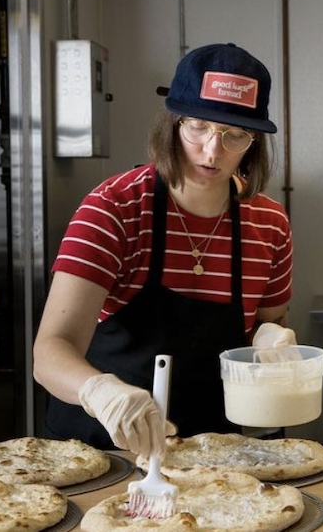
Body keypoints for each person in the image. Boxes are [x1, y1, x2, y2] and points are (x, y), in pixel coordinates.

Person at [34, 43, 294, 458]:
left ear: (254, 142)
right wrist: (101, 392)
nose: (213, 150)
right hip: (99, 452)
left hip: (211, 455)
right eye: (198, 127)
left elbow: (270, 321)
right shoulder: (113, 209)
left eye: (235, 134)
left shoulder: (269, 224)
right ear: (172, 124)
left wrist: (268, 340)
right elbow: (50, 352)